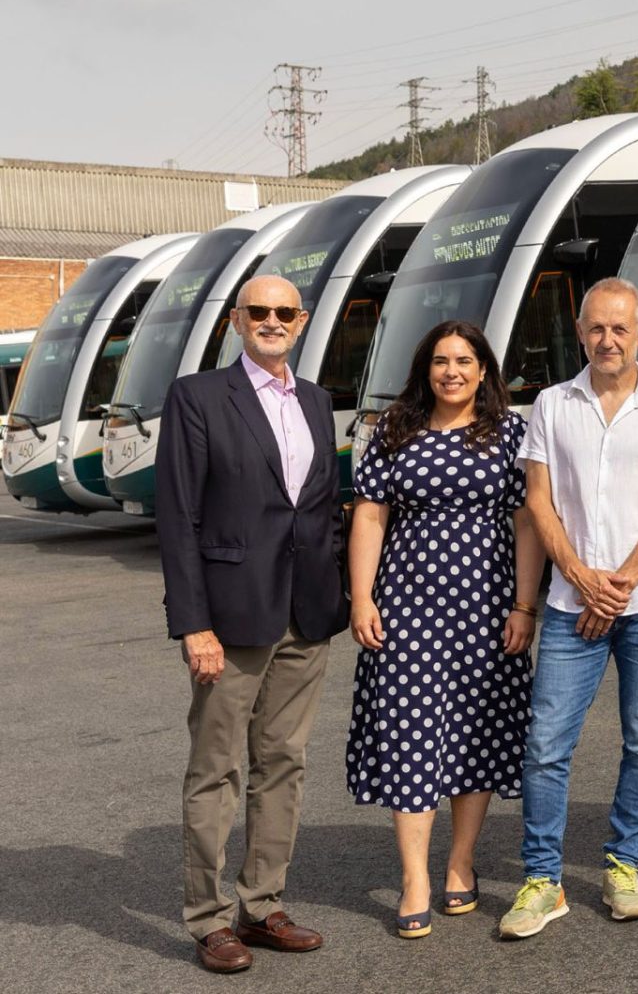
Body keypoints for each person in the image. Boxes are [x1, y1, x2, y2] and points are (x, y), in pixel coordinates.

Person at [156, 274, 347, 973]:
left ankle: (261, 905)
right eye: (258, 311)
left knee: (284, 764)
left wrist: (338, 596)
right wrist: (193, 624)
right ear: (237, 320)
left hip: (306, 615)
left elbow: (319, 511)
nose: (271, 321)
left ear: (301, 322)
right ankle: (208, 919)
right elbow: (178, 518)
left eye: (283, 312)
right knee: (215, 769)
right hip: (230, 620)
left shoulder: (319, 401)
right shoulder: (199, 397)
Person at [497, 278, 638, 939]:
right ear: (579, 333)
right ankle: (542, 880)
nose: (607, 340)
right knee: (547, 745)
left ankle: (622, 865)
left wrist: (619, 585)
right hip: (567, 601)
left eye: (620, 329)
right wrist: (584, 579)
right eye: (595, 328)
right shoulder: (551, 406)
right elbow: (539, 504)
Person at [345, 320, 545, 938]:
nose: (451, 371)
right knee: (409, 733)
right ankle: (415, 878)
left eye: (463, 360)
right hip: (406, 608)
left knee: (474, 734)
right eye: (440, 361)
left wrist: (524, 607)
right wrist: (360, 597)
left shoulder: (513, 432)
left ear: (484, 370)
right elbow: (370, 518)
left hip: (488, 609)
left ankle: (460, 864)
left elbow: (529, 524)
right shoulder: (393, 430)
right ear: (424, 369)